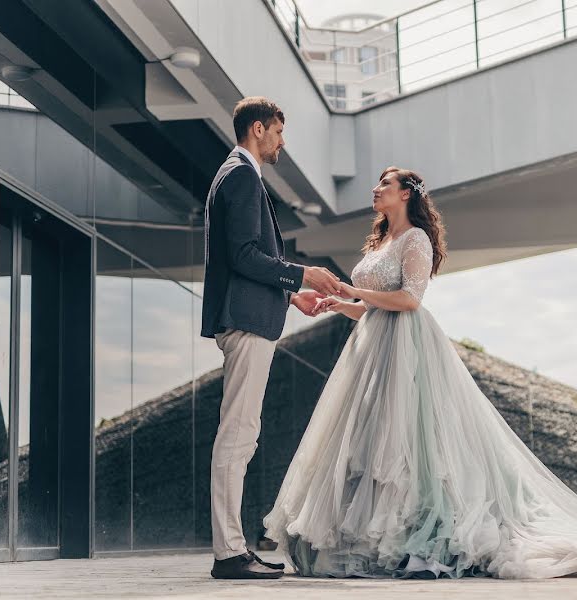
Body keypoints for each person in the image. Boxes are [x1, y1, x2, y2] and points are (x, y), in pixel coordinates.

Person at [262, 166, 577, 580]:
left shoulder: (415, 240)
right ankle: (369, 537)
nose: (375, 190)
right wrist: (339, 302)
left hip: (408, 349)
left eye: (385, 184)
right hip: (371, 351)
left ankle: (417, 534)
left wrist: (345, 286)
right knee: (371, 444)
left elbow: (409, 301)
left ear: (407, 194)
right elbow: (370, 310)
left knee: (410, 441)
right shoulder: (380, 241)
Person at [201, 96, 341, 579]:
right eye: (279, 132)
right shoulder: (240, 175)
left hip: (251, 314)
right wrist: (302, 275)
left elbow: (242, 260)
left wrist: (291, 297)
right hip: (245, 321)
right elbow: (243, 256)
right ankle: (229, 553)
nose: (282, 142)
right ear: (258, 129)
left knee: (241, 434)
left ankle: (233, 547)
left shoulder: (236, 174)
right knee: (237, 436)